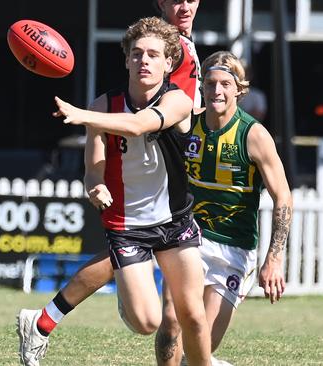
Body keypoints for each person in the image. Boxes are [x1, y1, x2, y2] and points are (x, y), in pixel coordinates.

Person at [18, 16, 212, 366]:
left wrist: (80, 115)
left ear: (169, 62)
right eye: (136, 54)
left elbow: (138, 125)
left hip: (175, 220)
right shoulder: (103, 106)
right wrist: (95, 187)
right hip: (127, 225)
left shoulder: (178, 101)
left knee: (193, 317)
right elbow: (93, 168)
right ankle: (129, 283)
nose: (144, 61)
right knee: (147, 322)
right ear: (126, 60)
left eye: (154, 54)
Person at [155, 50, 293, 366]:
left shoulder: (253, 134)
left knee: (200, 347)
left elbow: (283, 197)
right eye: (210, 83)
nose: (217, 91)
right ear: (202, 86)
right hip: (188, 239)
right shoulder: (188, 125)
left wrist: (274, 258)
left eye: (225, 85)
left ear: (238, 90)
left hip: (234, 249)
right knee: (172, 321)